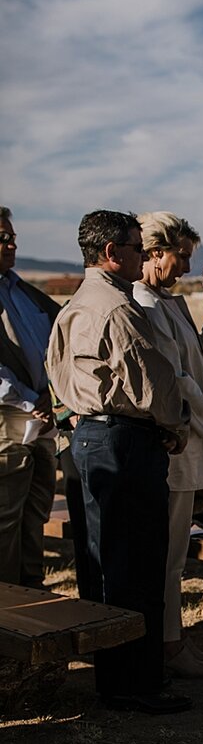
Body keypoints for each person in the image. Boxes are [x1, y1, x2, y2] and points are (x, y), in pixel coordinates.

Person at [46, 210, 192, 715]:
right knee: (136, 564)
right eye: (135, 246)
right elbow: (155, 384)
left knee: (99, 563)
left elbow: (56, 373)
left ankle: (112, 678)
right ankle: (136, 683)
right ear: (112, 253)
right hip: (125, 441)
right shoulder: (118, 310)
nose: (143, 254)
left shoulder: (74, 305)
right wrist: (174, 427)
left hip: (86, 437)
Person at [133, 212, 203, 678]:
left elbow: (200, 361)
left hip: (189, 438)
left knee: (174, 552)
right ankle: (169, 645)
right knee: (169, 554)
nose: (185, 268)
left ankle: (173, 641)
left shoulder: (169, 303)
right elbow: (174, 379)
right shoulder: (143, 304)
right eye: (181, 257)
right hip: (176, 441)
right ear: (155, 252)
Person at [0, 205, 61, 587]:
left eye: (12, 237)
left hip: (42, 421)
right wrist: (29, 401)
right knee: (4, 519)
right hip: (6, 422)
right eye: (2, 238)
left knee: (36, 511)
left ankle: (32, 592)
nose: (11, 244)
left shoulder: (27, 293)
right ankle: (8, 611)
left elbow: (59, 348)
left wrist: (52, 397)